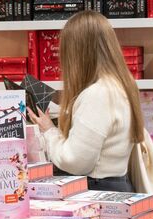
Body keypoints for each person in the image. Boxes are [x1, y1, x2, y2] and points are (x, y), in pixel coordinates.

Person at [27, 10, 145, 193]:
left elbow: (75, 162)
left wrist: (49, 132)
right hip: (115, 187)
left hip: (97, 192)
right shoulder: (120, 85)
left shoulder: (97, 94)